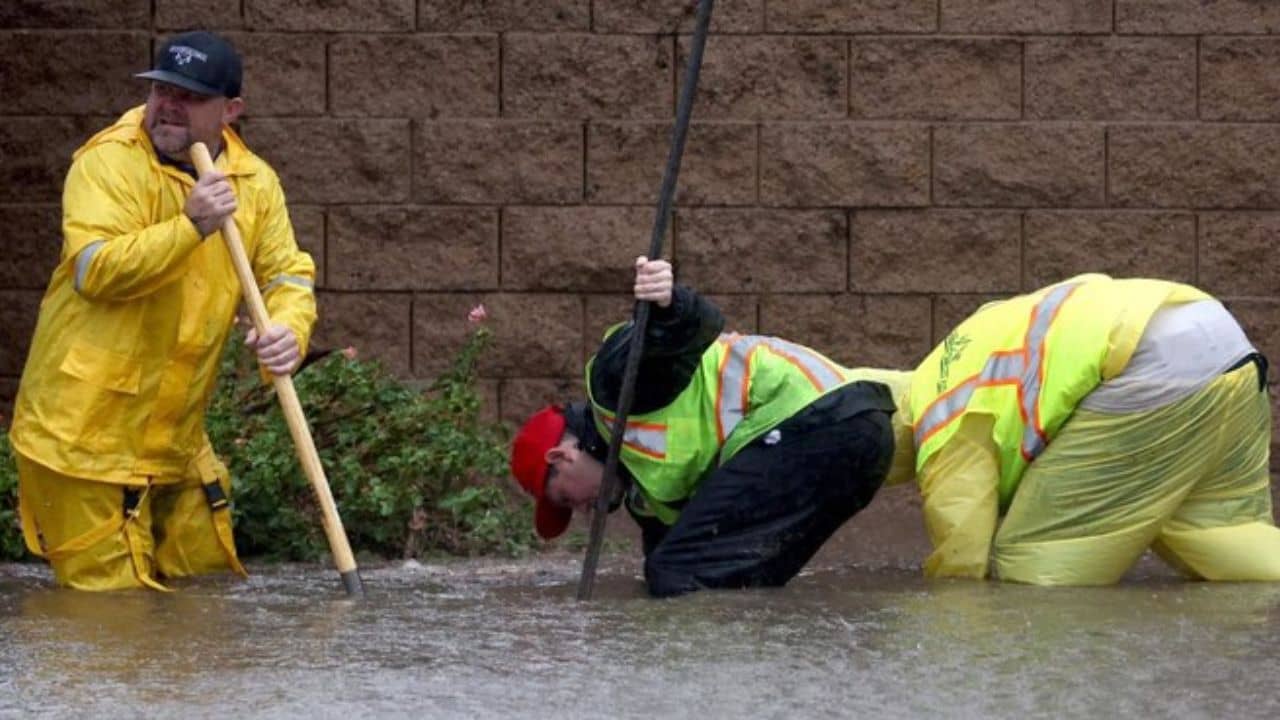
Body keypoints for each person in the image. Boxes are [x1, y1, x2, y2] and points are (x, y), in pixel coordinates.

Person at [7, 31, 317, 591]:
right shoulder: (107, 163)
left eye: (190, 97)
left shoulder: (255, 182)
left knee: (205, 592)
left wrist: (289, 329)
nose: (168, 106)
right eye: (162, 90)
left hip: (174, 436)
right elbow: (95, 272)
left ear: (231, 111)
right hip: (84, 439)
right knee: (114, 620)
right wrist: (190, 225)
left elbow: (287, 272)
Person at [510, 256, 916, 597]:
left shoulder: (614, 387)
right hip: (861, 438)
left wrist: (666, 303)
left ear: (561, 456)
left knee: (675, 576)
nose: (584, 511)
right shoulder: (646, 493)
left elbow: (687, 328)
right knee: (713, 576)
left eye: (567, 498)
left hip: (822, 422)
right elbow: (667, 553)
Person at [906, 273, 1280, 585]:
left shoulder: (933, 410)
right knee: (1222, 530)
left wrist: (952, 600)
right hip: (1224, 344)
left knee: (1031, 564)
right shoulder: (970, 340)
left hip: (1150, 366)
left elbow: (963, 538)